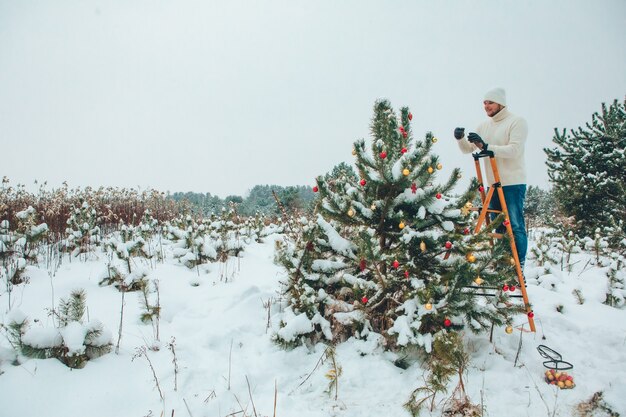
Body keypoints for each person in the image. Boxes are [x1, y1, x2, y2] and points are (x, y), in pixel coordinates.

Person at [453, 87, 528, 269]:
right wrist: (460, 138)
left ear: (501, 103)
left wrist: (486, 146)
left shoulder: (516, 122)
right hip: (492, 184)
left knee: (515, 225)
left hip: (512, 183)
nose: (487, 106)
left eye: (490, 103)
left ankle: (518, 267)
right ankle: (503, 264)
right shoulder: (484, 126)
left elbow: (514, 150)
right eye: (485, 103)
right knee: (498, 226)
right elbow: (467, 149)